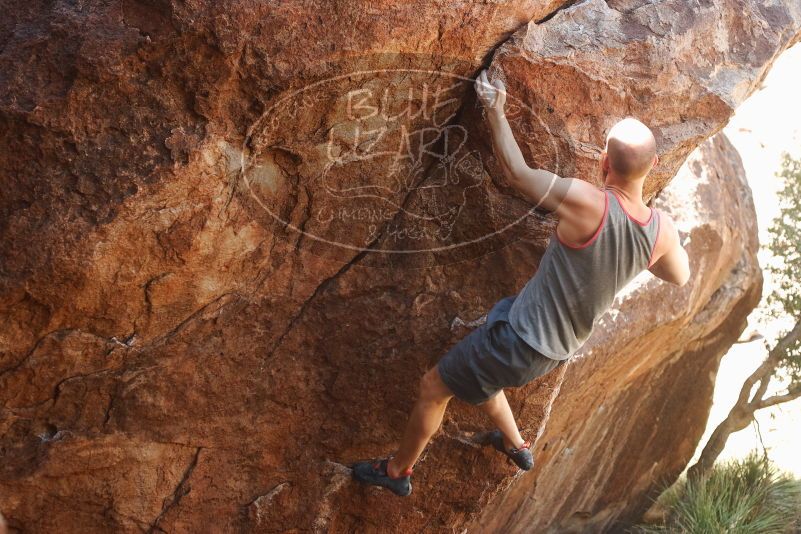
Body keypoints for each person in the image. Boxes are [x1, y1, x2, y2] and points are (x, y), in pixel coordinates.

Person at [352, 70, 690, 496]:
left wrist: (494, 108)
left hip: (518, 340)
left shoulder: (587, 202)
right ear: (654, 166)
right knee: (483, 372)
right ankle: (516, 445)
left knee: (433, 388)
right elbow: (679, 276)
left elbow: (515, 171)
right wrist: (641, 254)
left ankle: (397, 472)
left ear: (604, 162)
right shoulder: (662, 231)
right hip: (555, 349)